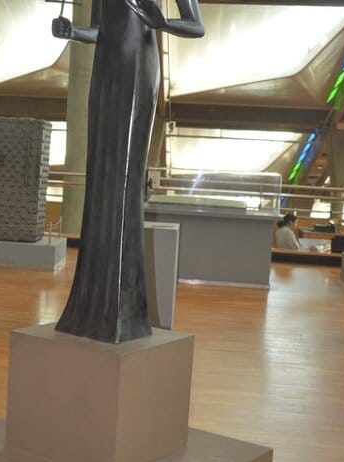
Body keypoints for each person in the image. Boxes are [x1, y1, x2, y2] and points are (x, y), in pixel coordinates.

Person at [51, 0, 204, 343]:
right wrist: (73, 32)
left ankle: (122, 312)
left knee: (124, 179)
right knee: (101, 175)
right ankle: (91, 306)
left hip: (138, 68)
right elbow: (99, 30)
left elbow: (196, 26)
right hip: (105, 71)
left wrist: (162, 22)